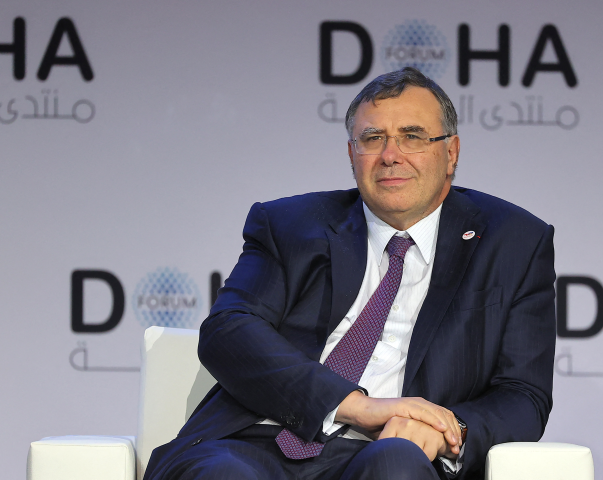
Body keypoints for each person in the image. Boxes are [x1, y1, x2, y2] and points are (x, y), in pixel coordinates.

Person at [143, 67, 556, 480]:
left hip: (390, 452)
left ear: (451, 153)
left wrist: (449, 430)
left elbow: (523, 395)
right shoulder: (290, 224)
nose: (390, 155)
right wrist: (353, 404)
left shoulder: (513, 241)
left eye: (412, 136)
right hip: (252, 442)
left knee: (397, 468)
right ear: (351, 154)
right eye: (372, 138)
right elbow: (229, 330)